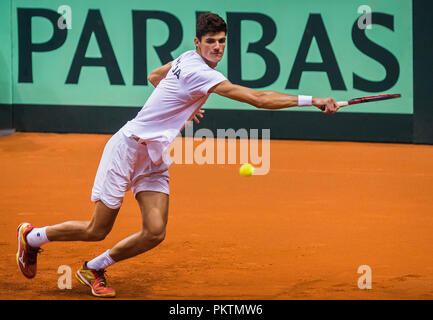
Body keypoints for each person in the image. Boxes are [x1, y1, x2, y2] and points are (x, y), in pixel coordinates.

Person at [16, 12, 340, 298]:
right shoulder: (201, 72)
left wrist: (184, 106)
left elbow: (155, 77)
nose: (217, 47)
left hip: (153, 156)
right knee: (96, 230)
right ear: (198, 42)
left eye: (222, 41)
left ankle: (93, 269)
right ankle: (33, 238)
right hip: (126, 149)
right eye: (211, 41)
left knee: (155, 231)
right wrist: (312, 100)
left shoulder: (186, 57)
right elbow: (257, 98)